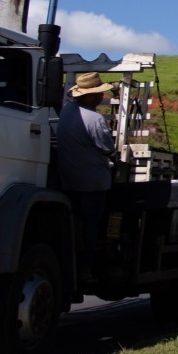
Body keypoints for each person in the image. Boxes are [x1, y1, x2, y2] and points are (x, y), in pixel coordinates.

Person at [55, 71, 115, 284]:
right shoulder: (95, 119)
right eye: (98, 94)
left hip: (68, 180)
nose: (101, 97)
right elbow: (108, 148)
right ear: (89, 96)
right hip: (92, 182)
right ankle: (85, 269)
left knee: (74, 224)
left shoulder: (66, 111)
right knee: (91, 226)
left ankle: (68, 265)